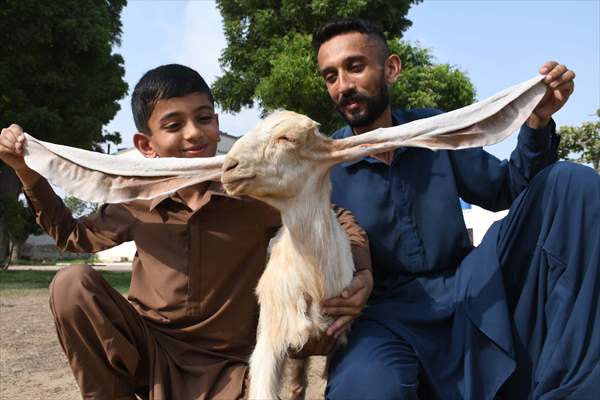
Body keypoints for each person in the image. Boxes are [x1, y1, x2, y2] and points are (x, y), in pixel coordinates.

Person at [0, 64, 373, 400]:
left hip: (230, 369)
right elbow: (71, 236)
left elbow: (335, 216)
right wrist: (26, 170)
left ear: (216, 121)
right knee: (71, 285)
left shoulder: (252, 195)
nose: (194, 134)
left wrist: (360, 271)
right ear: (146, 145)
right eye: (174, 125)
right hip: (152, 354)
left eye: (203, 118)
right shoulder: (137, 199)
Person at [313, 18, 600, 399]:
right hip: (384, 315)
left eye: (354, 67)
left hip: (469, 285)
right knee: (364, 386)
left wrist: (537, 120)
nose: (343, 86)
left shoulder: (433, 129)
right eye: (330, 76)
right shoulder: (323, 167)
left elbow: (506, 189)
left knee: (571, 183)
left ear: (391, 68)